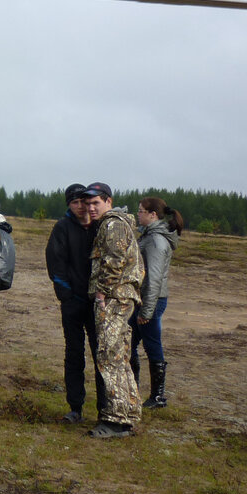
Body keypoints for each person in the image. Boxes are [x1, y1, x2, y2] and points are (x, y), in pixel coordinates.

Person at [85, 182, 144, 438]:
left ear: (108, 201)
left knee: (109, 356)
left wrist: (102, 292)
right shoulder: (113, 224)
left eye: (96, 203)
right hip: (119, 297)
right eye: (88, 204)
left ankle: (115, 421)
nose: (91, 208)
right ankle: (126, 415)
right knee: (119, 356)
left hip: (114, 298)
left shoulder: (113, 224)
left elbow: (115, 261)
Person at [45, 183, 105, 424]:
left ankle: (105, 408)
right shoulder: (62, 228)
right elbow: (55, 264)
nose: (81, 207)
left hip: (97, 304)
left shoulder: (101, 227)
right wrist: (66, 296)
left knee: (101, 355)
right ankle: (75, 407)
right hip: (72, 303)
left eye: (84, 201)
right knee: (74, 355)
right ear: (69, 205)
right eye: (75, 202)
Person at [134, 196, 182, 409]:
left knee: (151, 345)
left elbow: (153, 278)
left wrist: (146, 310)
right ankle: (132, 390)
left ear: (153, 215)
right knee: (130, 344)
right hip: (147, 300)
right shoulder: (150, 235)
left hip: (150, 301)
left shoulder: (155, 241)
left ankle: (157, 397)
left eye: (141, 211)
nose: (138, 214)